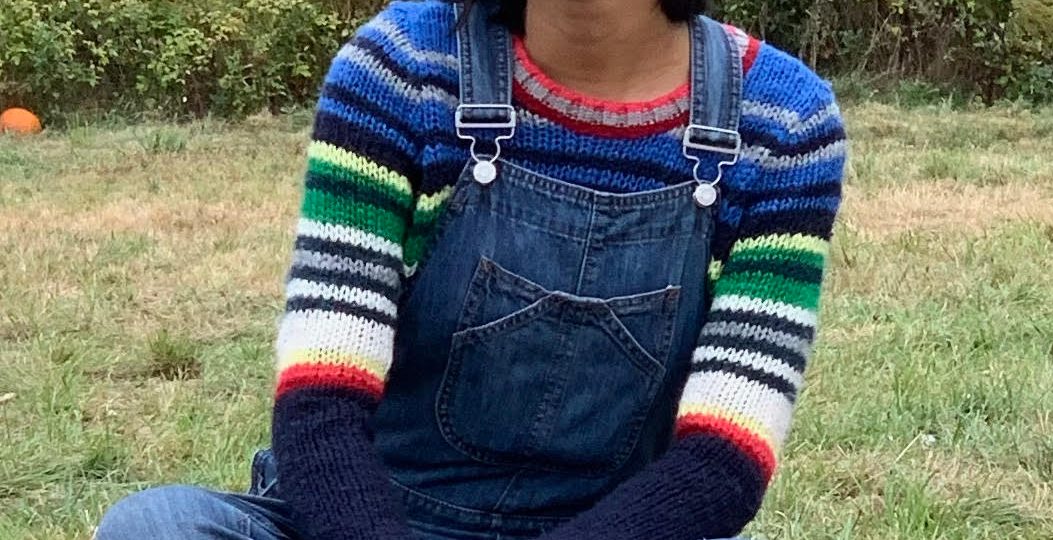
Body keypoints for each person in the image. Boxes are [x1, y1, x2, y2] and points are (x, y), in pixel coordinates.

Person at [96, 0, 847, 538]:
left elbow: (723, 457)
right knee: (156, 525)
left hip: (610, 526)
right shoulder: (401, 67)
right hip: (368, 518)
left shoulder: (784, 124)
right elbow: (320, 402)